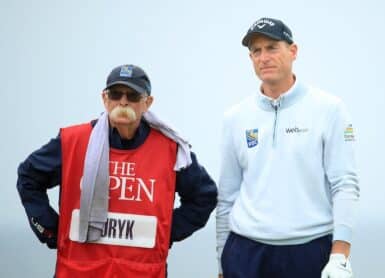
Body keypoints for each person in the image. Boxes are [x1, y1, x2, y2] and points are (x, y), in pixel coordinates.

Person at [17, 64, 217, 277]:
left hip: (143, 272)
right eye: (115, 94)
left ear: (147, 103)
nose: (123, 101)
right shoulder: (73, 142)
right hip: (79, 271)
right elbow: (29, 177)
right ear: (105, 99)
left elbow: (204, 196)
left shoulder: (171, 149)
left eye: (132, 95)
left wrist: (166, 232)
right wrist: (49, 229)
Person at [216, 17, 359, 278]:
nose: (263, 57)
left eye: (272, 47)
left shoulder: (329, 109)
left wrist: (340, 255)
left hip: (309, 250)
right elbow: (227, 196)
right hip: (245, 253)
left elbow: (345, 184)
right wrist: (222, 262)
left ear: (293, 51)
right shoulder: (235, 117)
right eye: (256, 51)